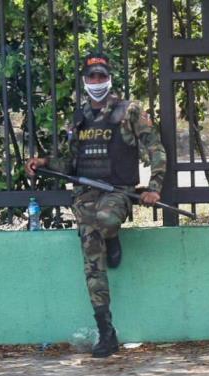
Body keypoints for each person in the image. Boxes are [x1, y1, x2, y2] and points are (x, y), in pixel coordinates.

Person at [25, 53, 166, 358]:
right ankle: (106, 333)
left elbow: (155, 149)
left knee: (106, 220)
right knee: (92, 265)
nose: (97, 82)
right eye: (92, 78)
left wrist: (154, 188)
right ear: (84, 82)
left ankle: (112, 237)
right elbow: (70, 162)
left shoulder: (129, 111)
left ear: (110, 79)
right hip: (85, 195)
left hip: (117, 192)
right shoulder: (78, 118)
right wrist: (44, 162)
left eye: (102, 77)